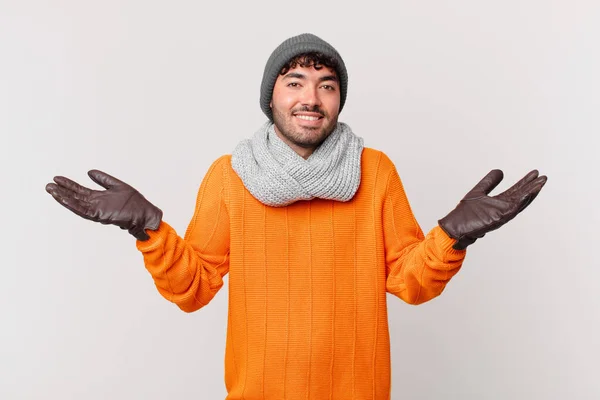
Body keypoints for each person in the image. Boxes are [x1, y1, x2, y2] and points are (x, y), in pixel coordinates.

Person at [45, 33, 547, 399]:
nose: (311, 97)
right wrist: (149, 229)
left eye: (327, 86)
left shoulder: (375, 171)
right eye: (295, 81)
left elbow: (409, 282)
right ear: (271, 97)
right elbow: (194, 287)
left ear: (339, 100)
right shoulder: (230, 175)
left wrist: (451, 236)